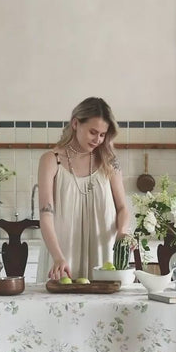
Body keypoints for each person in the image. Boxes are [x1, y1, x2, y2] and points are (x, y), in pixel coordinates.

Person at [36, 97, 130, 282]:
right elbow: (46, 214)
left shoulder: (109, 161)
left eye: (103, 134)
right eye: (93, 132)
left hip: (102, 254)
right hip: (62, 254)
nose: (98, 139)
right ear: (75, 123)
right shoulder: (50, 160)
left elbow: (122, 208)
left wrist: (122, 233)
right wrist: (57, 257)